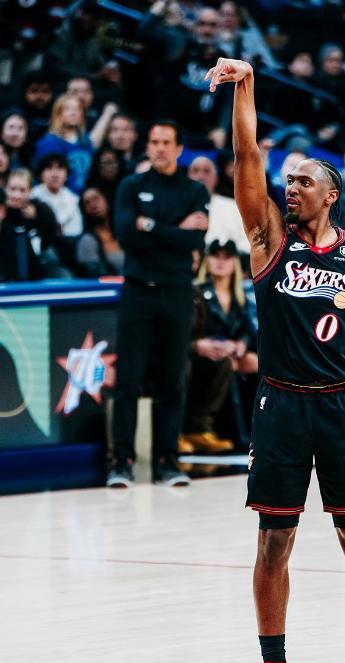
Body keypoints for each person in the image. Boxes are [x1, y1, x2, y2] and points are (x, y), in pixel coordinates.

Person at [207, 56, 345, 663]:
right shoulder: (267, 238)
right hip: (281, 404)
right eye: (288, 180)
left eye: (304, 181)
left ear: (331, 194)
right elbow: (246, 155)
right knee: (274, 540)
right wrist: (246, 84)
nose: (291, 188)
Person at [106, 120, 209, 488]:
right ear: (147, 146)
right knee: (128, 380)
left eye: (166, 142)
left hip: (176, 293)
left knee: (172, 380)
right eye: (154, 141)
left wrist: (150, 226)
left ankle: (168, 461)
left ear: (179, 148)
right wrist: (175, 229)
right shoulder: (131, 185)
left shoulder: (194, 190)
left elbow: (194, 242)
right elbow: (126, 235)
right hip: (138, 292)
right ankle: (121, 461)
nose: (160, 148)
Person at [180, 239, 257, 454]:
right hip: (200, 355)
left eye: (227, 257)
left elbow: (248, 330)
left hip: (229, 354)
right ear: (207, 260)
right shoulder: (196, 292)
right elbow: (188, 334)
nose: (221, 262)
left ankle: (262, 430)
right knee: (225, 364)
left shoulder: (241, 296)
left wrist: (242, 344)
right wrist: (200, 346)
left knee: (259, 363)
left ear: (235, 263)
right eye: (216, 256)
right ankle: (205, 428)